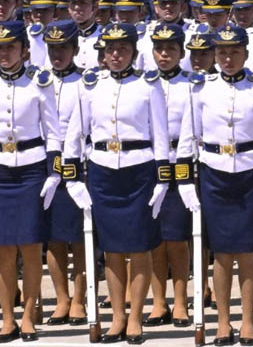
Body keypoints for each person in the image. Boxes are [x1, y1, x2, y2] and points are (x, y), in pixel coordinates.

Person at [64, 23, 170, 344]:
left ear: (134, 53)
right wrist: (73, 179)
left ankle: (136, 317)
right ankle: (118, 317)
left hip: (139, 172)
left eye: (122, 48)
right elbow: (75, 134)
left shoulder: (148, 86)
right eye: (110, 49)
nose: (115, 54)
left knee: (138, 247)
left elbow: (161, 135)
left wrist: (162, 180)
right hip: (102, 172)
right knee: (110, 249)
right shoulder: (90, 85)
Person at [175, 24, 253, 346]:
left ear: (246, 54)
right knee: (220, 255)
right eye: (222, 52)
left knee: (247, 253)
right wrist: (184, 184)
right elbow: (186, 140)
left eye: (234, 52)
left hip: (249, 175)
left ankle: (247, 321)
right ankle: (222, 322)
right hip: (215, 174)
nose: (228, 58)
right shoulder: (200, 89)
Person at [0, 21, 61, 342]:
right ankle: (7, 319)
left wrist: (54, 173)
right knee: (3, 249)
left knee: (31, 248)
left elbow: (54, 132)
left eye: (11, 47)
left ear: (24, 50)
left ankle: (29, 316)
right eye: (0, 48)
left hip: (31, 169)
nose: (5, 53)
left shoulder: (39, 82)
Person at [146, 24, 196, 328]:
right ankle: (158, 301)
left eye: (171, 50)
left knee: (177, 238)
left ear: (181, 52)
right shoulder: (144, 84)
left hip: (182, 162)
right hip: (149, 164)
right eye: (160, 49)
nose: (164, 55)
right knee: (153, 239)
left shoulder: (192, 84)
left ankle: (180, 301)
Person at [40, 21, 88, 328]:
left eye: (63, 48)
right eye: (53, 49)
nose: (58, 54)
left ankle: (80, 300)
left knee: (80, 238)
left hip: (78, 165)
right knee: (53, 239)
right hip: (44, 167)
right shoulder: (38, 81)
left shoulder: (86, 82)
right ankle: (61, 298)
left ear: (75, 49)